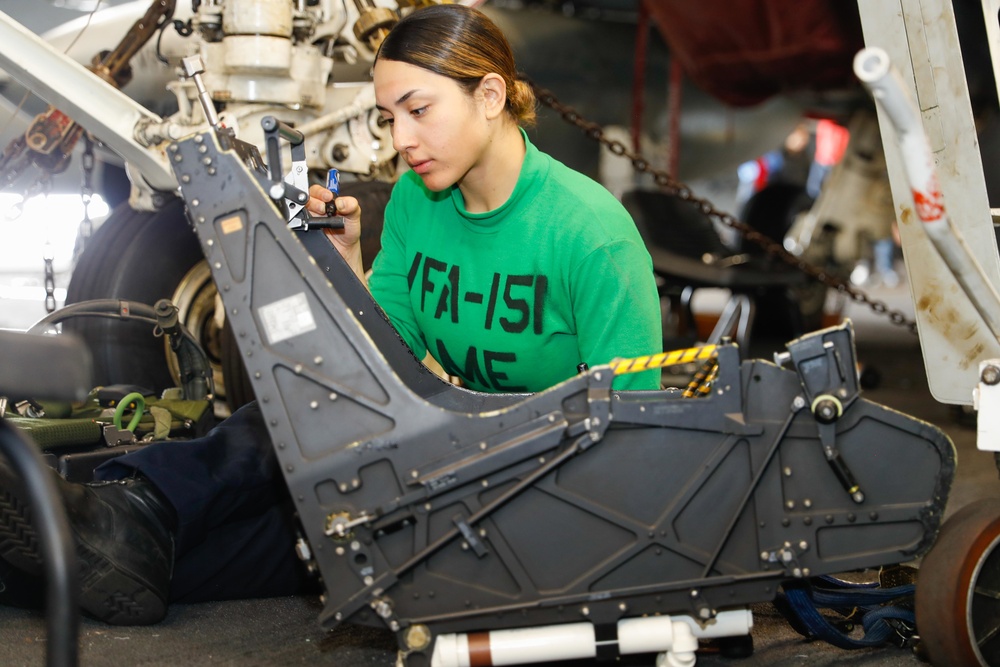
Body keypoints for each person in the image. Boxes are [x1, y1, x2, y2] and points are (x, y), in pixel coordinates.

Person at [0, 3, 662, 626]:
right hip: (438, 462)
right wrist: (342, 261)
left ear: (490, 97)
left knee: (295, 496)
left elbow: (639, 439)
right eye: (387, 117)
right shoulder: (414, 201)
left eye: (419, 109)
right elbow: (373, 365)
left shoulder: (590, 235)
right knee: (205, 545)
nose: (401, 138)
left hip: (532, 489)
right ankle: (60, 551)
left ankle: (141, 502)